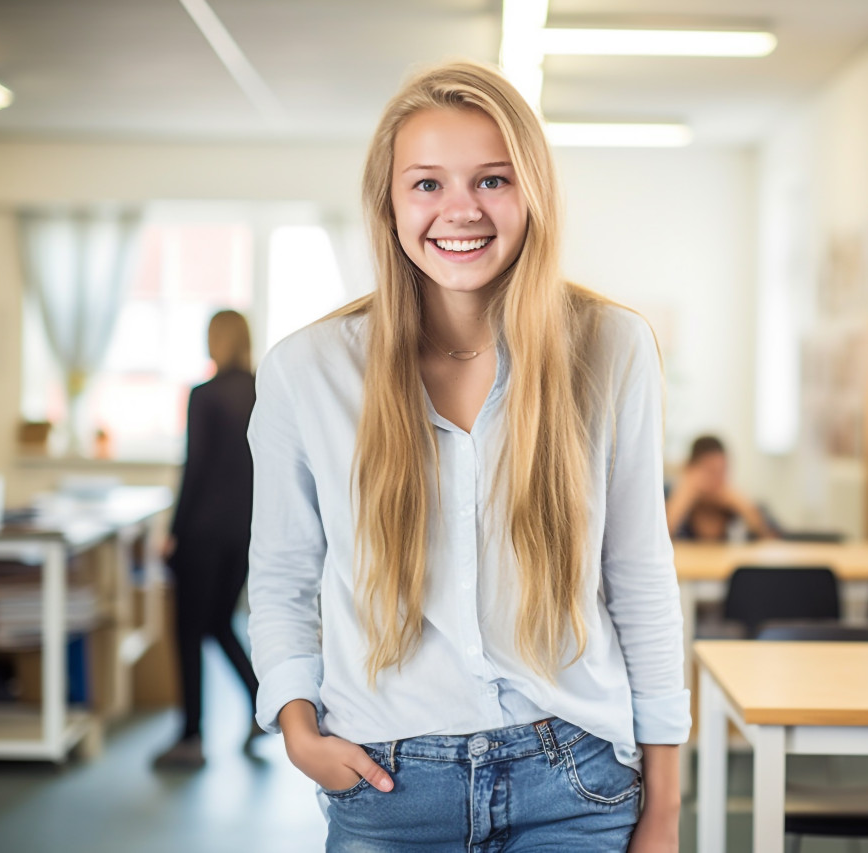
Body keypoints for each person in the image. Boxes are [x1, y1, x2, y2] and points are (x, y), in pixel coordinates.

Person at [246, 61, 688, 851]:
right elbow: (281, 577)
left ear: (533, 194)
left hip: (575, 781)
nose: (460, 211)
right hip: (386, 786)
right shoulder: (304, 371)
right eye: (426, 184)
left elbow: (642, 577)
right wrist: (297, 727)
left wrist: (664, 809)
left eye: (492, 180)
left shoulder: (613, 347)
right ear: (388, 200)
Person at [154, 309, 262, 769]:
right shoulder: (263, 390)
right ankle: (263, 704)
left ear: (214, 341)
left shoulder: (204, 395)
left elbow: (194, 467)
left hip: (201, 533)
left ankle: (191, 737)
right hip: (245, 532)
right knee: (219, 623)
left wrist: (173, 534)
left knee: (187, 632)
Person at [665, 435, 777, 541]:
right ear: (690, 470)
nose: (717, 480)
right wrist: (679, 502)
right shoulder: (667, 500)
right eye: (710, 471)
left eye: (722, 472)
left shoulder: (743, 504)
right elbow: (654, 546)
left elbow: (775, 543)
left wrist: (748, 511)